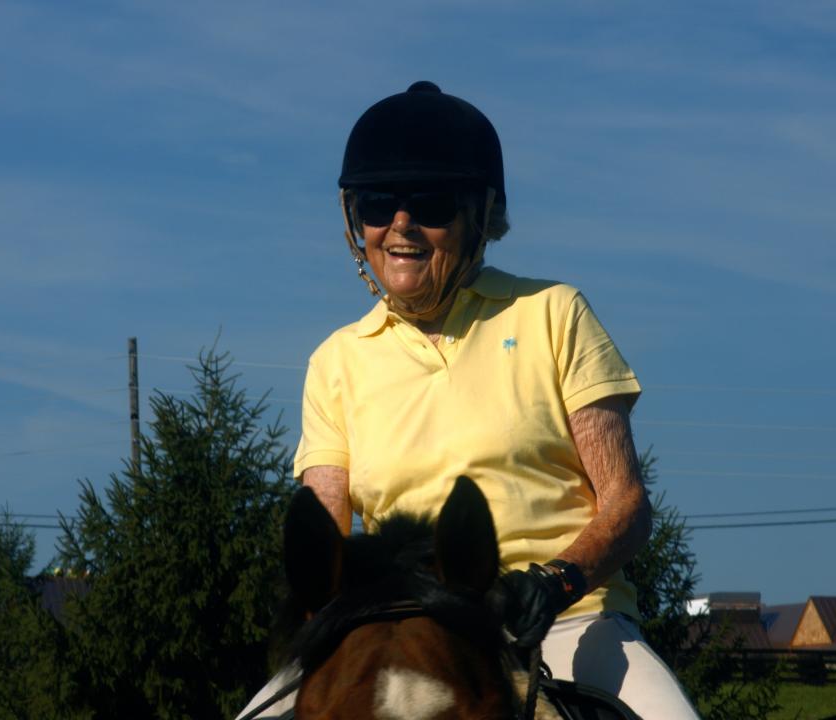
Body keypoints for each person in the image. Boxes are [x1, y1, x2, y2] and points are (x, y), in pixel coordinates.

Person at [237, 81, 699, 720]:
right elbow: (326, 534)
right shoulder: (335, 361)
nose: (400, 224)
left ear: (480, 215)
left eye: (429, 203)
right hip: (400, 627)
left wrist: (556, 581)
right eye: (377, 205)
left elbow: (626, 502)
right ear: (355, 223)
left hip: (563, 621)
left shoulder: (554, 314)